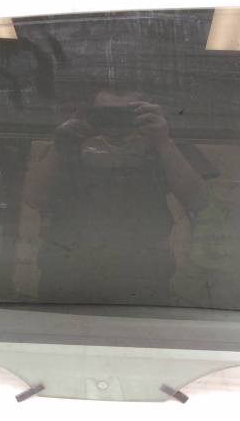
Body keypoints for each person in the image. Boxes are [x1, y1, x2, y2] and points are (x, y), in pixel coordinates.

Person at [18, 88, 207, 305]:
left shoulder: (163, 143)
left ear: (145, 113)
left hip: (143, 275)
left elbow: (197, 200)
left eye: (126, 114)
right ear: (89, 114)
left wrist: (164, 142)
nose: (115, 121)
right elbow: (34, 198)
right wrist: (61, 143)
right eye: (105, 113)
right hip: (66, 274)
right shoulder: (69, 142)